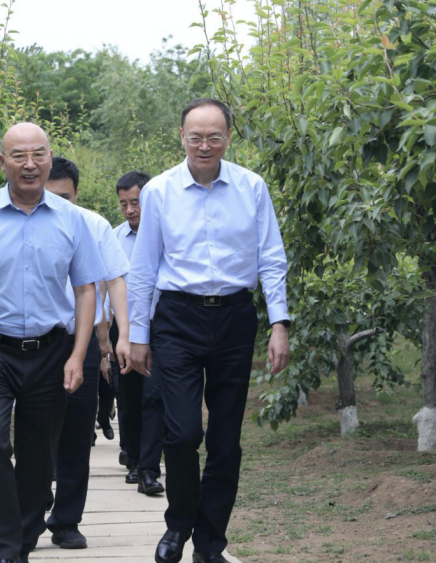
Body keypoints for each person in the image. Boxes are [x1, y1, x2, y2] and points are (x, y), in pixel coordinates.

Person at [127, 99, 290, 563]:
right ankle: (178, 524)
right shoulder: (159, 191)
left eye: (214, 137)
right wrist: (137, 334)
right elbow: (144, 266)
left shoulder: (251, 187)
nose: (204, 145)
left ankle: (210, 542)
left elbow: (271, 258)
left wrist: (279, 323)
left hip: (235, 318)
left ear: (228, 138)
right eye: (195, 137)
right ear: (181, 137)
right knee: (181, 434)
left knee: (224, 440)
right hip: (177, 318)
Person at [0, 124, 105, 563]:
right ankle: (3, 551)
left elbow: (86, 289)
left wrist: (77, 354)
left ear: (49, 158)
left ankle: (23, 543)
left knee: (38, 460)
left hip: (50, 351)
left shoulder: (72, 219)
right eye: (18, 156)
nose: (29, 164)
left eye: (38, 154)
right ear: (2, 162)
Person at [44, 156, 131, 549]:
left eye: (64, 197)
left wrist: (122, 333)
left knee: (78, 431)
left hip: (79, 341)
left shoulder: (93, 226)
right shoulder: (22, 224)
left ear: (76, 194)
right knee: (35, 429)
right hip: (37, 342)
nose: (56, 204)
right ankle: (32, 506)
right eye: (49, 195)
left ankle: (66, 520)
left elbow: (115, 280)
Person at [111, 171, 166, 496]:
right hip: (125, 328)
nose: (130, 210)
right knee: (129, 396)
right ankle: (134, 459)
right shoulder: (114, 238)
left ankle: (149, 467)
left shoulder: (167, 232)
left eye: (135, 202)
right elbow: (105, 287)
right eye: (124, 204)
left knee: (154, 395)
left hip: (162, 325)